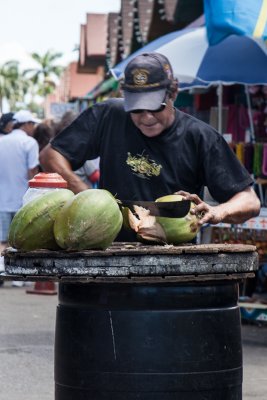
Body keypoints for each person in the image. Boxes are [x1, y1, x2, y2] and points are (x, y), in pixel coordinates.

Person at [39, 52, 260, 241]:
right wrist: (87, 195)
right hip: (109, 250)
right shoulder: (108, 116)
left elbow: (249, 200)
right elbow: (51, 155)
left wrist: (218, 211)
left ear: (173, 92)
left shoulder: (201, 137)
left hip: (172, 259)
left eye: (155, 107)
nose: (146, 117)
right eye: (136, 108)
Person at [0, 110, 40, 285]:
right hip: (23, 200)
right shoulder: (29, 143)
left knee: (2, 239)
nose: (33, 128)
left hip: (2, 199)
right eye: (32, 124)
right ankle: (18, 277)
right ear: (26, 124)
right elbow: (33, 172)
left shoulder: (1, 141)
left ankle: (2, 270)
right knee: (22, 240)